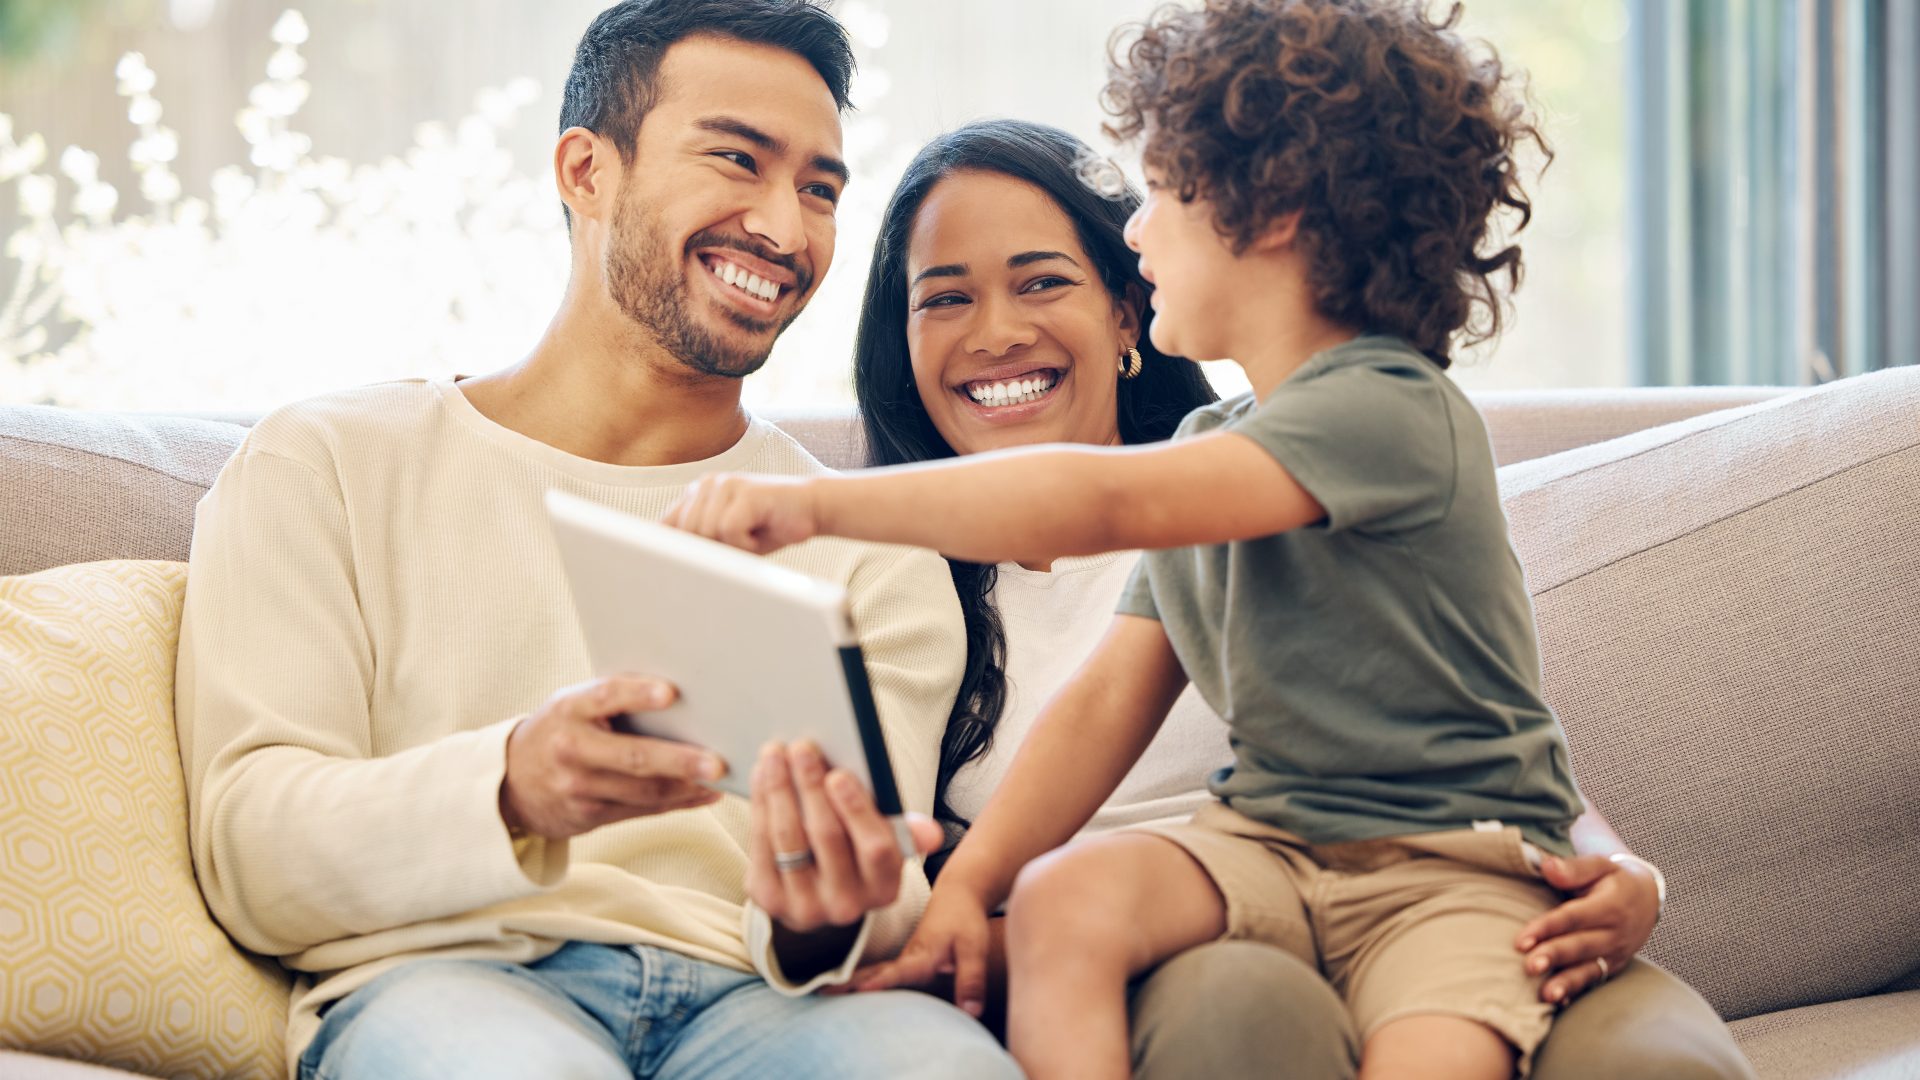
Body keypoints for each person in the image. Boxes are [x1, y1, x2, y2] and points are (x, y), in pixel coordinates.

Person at [665, 1, 1667, 1076]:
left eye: (1163, 197)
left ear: (1270, 214)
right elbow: (1104, 703)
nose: (1137, 236)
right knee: (1064, 900)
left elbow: (1105, 504)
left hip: (1453, 869)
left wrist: (818, 507)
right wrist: (962, 892)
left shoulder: (1388, 411)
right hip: (1271, 843)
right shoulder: (1215, 442)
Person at [173, 3, 1020, 1078]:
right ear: (586, 171)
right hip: (453, 983)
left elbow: (874, 889)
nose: (786, 228)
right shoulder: (329, 464)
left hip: (769, 1006)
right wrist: (514, 784)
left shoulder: (870, 547)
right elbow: (252, 850)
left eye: (819, 189)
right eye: (736, 161)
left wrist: (827, 910)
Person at [848, 117, 1756, 1080]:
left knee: (1651, 1064)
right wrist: (977, 914)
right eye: (946, 298)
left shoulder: (1303, 455)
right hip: (1210, 926)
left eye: (1042, 281)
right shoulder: (896, 592)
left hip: (1454, 897)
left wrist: (1616, 866)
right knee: (1237, 1010)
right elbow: (1076, 732)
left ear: (1125, 315)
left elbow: (1482, 721)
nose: (996, 331)